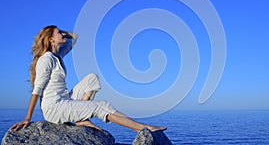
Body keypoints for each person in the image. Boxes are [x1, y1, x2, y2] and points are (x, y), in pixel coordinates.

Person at [10, 25, 166, 132]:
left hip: (65, 100)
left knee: (92, 78)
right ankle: (143, 128)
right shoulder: (46, 59)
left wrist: (59, 32)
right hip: (54, 107)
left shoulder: (58, 55)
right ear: (51, 40)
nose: (63, 34)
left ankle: (81, 119)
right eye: (59, 33)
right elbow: (37, 90)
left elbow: (75, 37)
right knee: (100, 106)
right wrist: (27, 118)